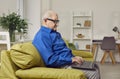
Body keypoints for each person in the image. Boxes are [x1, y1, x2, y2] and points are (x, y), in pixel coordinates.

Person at [32, 10, 100, 79]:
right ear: (45, 21)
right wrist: (71, 60)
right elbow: (50, 60)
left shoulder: (54, 33)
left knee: (95, 66)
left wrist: (74, 57)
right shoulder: (42, 36)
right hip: (61, 65)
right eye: (54, 21)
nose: (57, 24)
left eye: (57, 21)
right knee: (93, 73)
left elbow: (63, 51)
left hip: (68, 62)